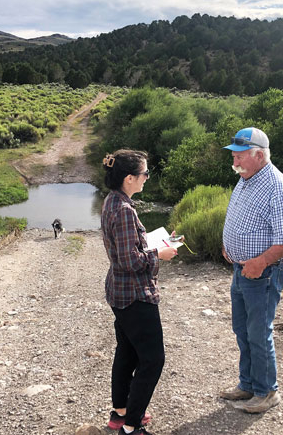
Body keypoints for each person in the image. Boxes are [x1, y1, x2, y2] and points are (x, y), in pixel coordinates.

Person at [219, 127, 283, 414]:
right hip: (241, 269)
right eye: (234, 156)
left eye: (240, 156)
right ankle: (248, 385)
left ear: (259, 155)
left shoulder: (279, 187)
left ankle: (268, 392)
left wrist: (259, 262)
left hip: (264, 273)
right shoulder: (247, 178)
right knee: (242, 329)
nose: (235, 162)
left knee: (258, 332)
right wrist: (229, 246)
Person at [101, 149, 178, 435]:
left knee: (128, 352)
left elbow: (127, 248)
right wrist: (161, 253)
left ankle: (120, 413)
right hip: (134, 295)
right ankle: (132, 427)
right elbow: (129, 261)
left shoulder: (113, 201)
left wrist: (154, 242)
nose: (147, 178)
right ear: (130, 178)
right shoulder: (122, 210)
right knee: (153, 359)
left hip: (120, 293)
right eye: (145, 173)